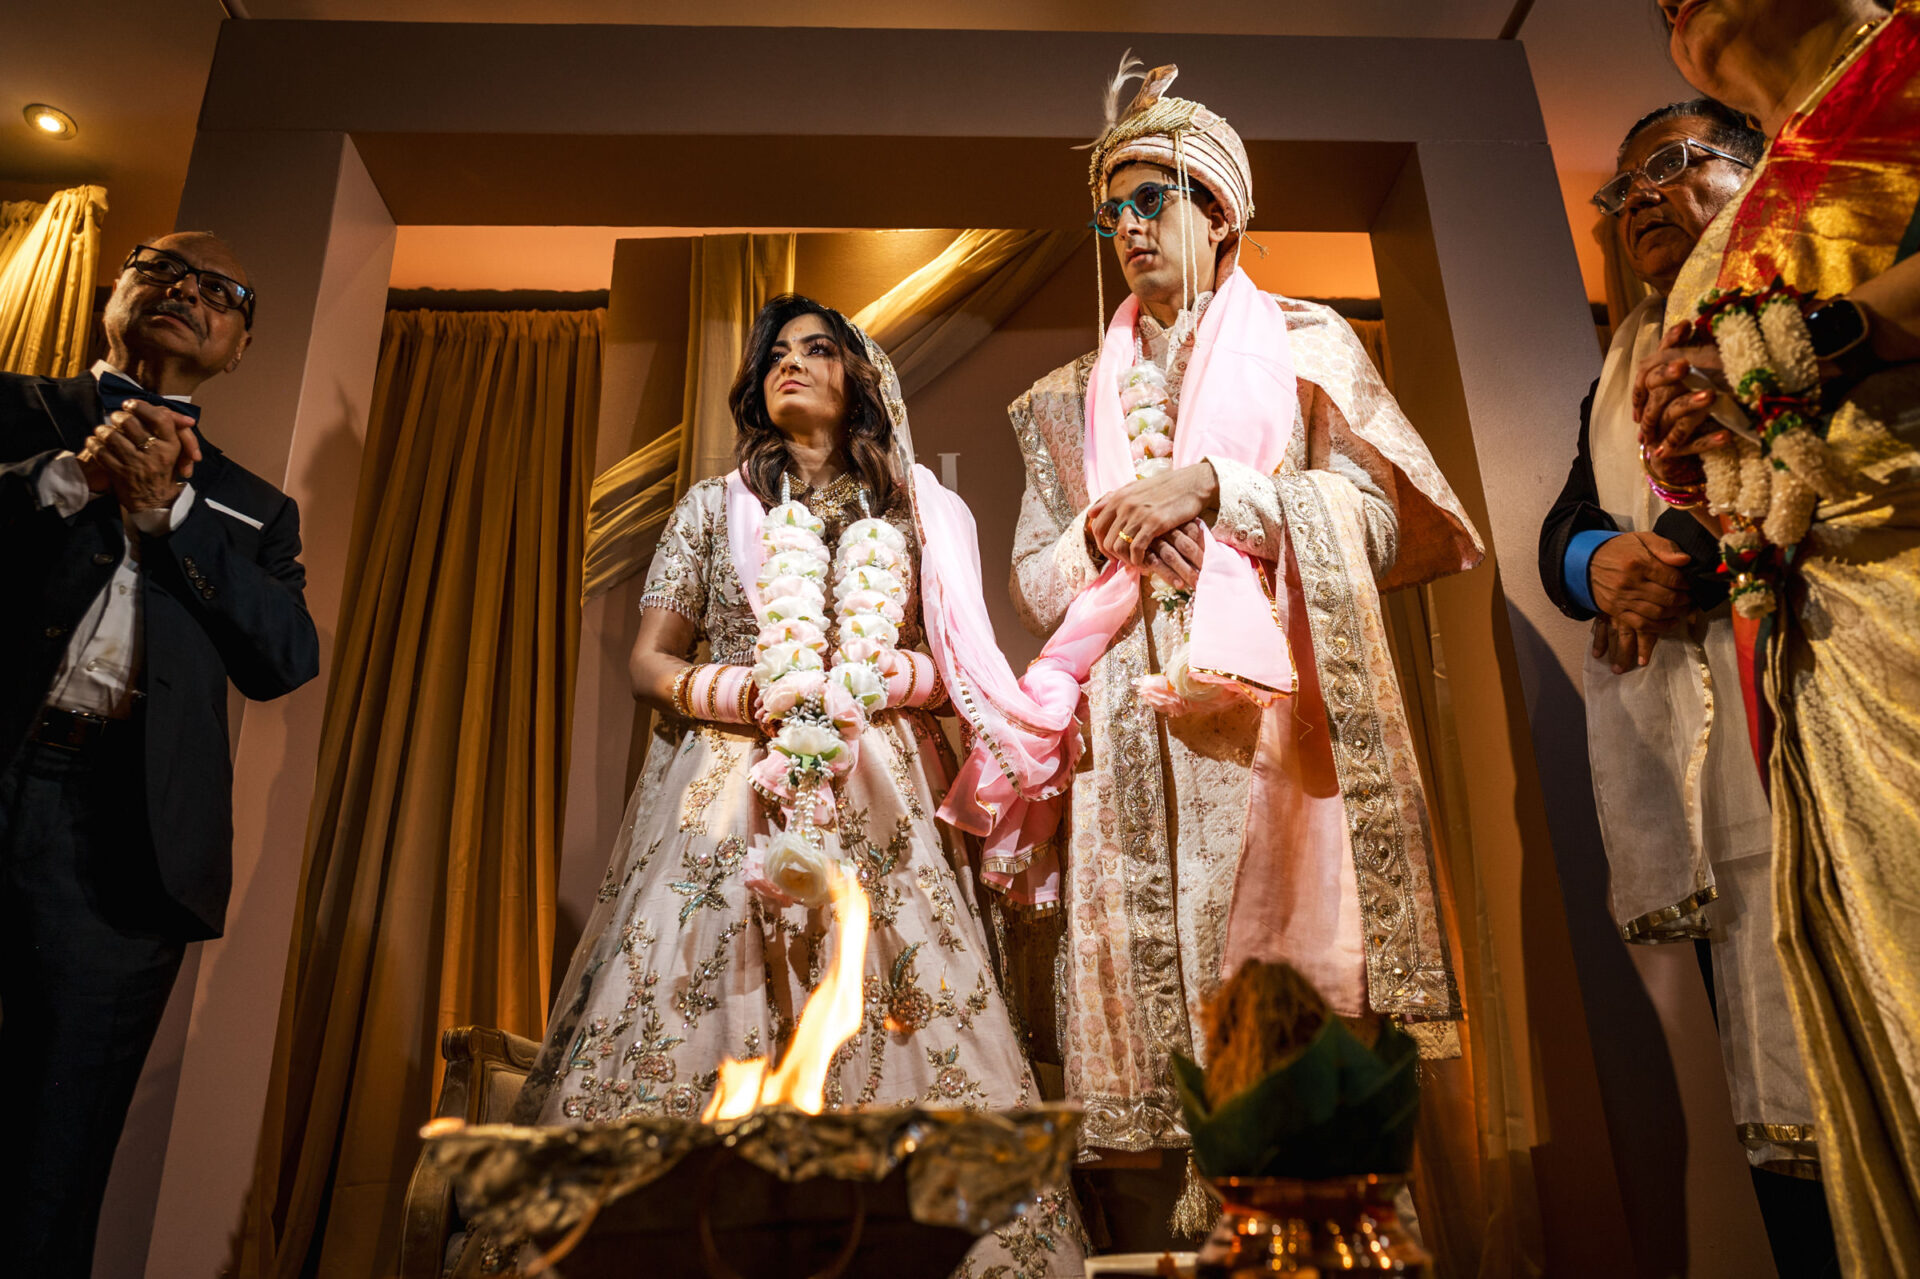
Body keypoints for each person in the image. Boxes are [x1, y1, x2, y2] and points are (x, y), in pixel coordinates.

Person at [942, 57, 1482, 1245]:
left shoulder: (1308, 346)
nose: (1129, 227)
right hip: (1129, 746)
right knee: (1146, 1085)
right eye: (1113, 210)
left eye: (1156, 199)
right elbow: (1037, 581)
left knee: (1291, 1051)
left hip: (1268, 726)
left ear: (1221, 212)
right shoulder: (1058, 401)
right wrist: (1102, 529)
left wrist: (1220, 488)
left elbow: (1383, 522)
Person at [510, 295, 1085, 1276]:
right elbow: (650, 661)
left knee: (900, 993)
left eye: (819, 349)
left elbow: (959, 661)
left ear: (859, 380)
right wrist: (744, 692)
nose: (793, 363)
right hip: (729, 775)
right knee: (708, 975)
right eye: (776, 352)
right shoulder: (709, 505)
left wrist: (879, 680)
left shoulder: (918, 509)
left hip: (881, 778)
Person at [1640, 1, 1920, 1269]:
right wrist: (1692, 430)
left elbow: (1809, 353)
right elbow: (1735, 435)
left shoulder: (1910, 66)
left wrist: (1837, 334)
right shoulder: (1718, 248)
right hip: (1814, 641)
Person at [1540, 100, 1837, 1276]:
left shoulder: (1820, 300)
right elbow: (1570, 519)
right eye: (1623, 190)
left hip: (1822, 723)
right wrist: (1595, 562)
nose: (1643, 200)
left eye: (1674, 165)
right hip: (1712, 780)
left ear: (1761, 177)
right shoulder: (1619, 369)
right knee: (1767, 1098)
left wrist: (1672, 559)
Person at [0, 232, 320, 1275]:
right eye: (163, 270)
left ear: (239, 346)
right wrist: (67, 479)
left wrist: (173, 514)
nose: (188, 293)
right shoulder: (16, 412)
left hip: (125, 848)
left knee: (53, 1157)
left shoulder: (256, 510)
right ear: (114, 297)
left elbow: (285, 657)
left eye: (221, 291)